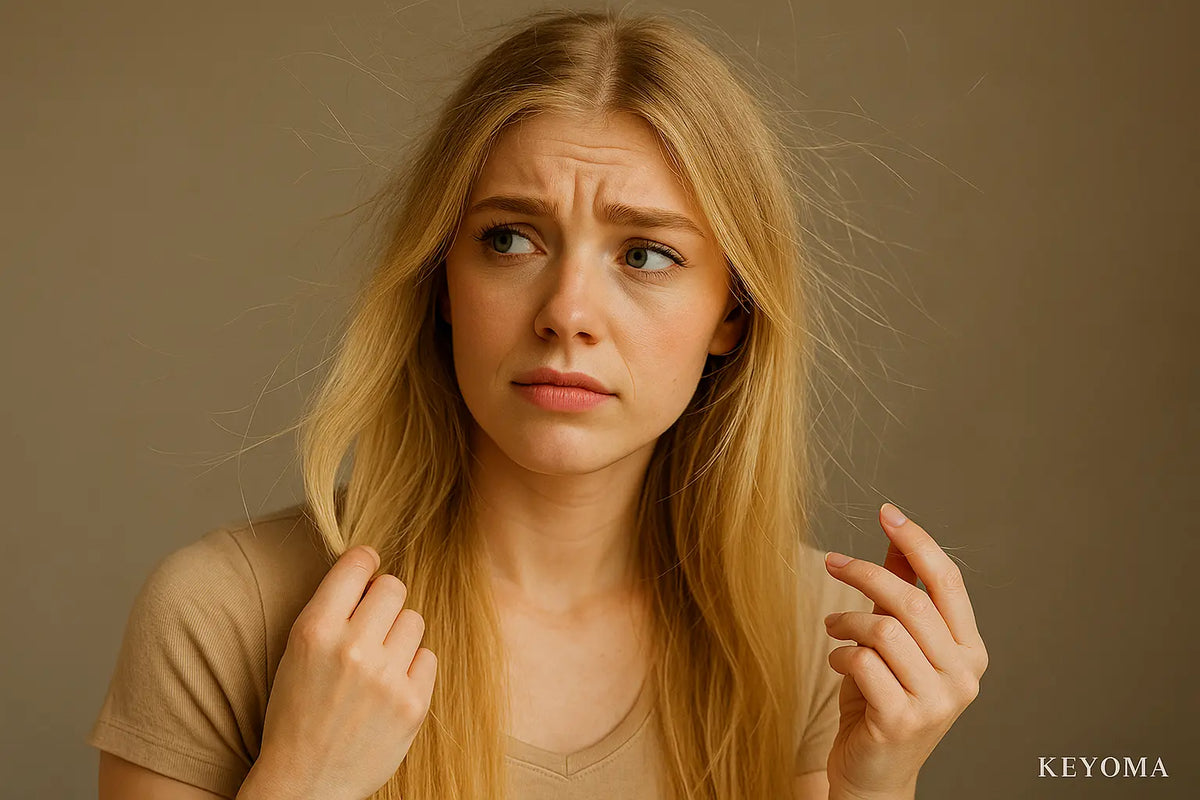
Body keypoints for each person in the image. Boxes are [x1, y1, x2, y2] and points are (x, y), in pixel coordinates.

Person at [89, 7, 988, 800]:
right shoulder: (223, 617)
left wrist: (876, 784)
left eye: (645, 255)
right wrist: (303, 782)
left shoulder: (818, 637)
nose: (567, 315)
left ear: (732, 314)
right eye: (511, 238)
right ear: (443, 279)